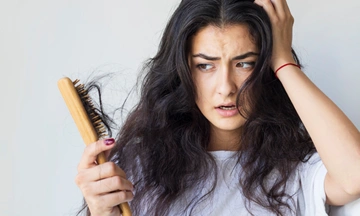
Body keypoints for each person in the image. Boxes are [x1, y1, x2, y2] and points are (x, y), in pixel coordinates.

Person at [74, 0, 360, 215]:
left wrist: (283, 59)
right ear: (182, 71)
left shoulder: (296, 169)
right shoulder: (137, 170)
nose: (226, 87)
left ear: (265, 67)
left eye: (244, 63)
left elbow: (355, 177)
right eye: (205, 65)